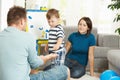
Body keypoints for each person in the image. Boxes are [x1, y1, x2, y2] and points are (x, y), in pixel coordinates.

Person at [0, 6, 70, 80]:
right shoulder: (27, 37)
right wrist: (47, 57)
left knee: (35, 72)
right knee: (64, 70)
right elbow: (35, 64)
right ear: (22, 21)